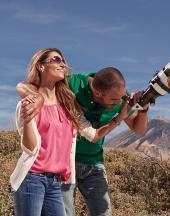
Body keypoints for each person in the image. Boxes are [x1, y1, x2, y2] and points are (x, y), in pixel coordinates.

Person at [10, 48, 131, 216]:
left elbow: (93, 135)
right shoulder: (29, 102)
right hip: (32, 178)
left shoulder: (68, 104)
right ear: (40, 66)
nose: (62, 64)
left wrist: (120, 117)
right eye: (56, 60)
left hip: (56, 181)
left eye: (63, 61)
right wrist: (32, 108)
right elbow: (30, 148)